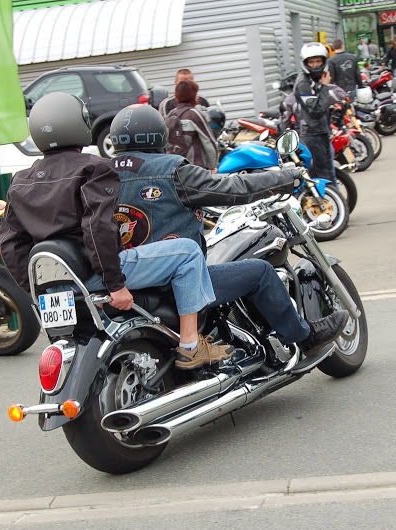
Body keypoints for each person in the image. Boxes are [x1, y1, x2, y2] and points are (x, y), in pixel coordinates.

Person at [0, 92, 235, 370]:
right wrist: (116, 285)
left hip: (55, 284)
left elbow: (10, 245)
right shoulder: (94, 168)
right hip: (96, 275)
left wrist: (37, 291)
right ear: (81, 125)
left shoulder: (20, 181)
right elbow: (97, 229)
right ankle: (191, 346)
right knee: (187, 251)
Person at [108, 103, 348, 358]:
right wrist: (286, 178)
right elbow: (234, 188)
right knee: (260, 272)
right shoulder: (171, 171)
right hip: (175, 281)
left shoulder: (102, 172)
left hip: (130, 278)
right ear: (159, 134)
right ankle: (304, 337)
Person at [294, 42, 337, 184]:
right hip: (313, 136)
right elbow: (317, 111)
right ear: (305, 63)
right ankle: (331, 204)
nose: (316, 65)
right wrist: (325, 87)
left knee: (330, 174)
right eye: (311, 62)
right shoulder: (303, 83)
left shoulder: (316, 79)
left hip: (321, 133)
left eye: (318, 61)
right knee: (322, 178)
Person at [164, 80, 218, 169]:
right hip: (195, 168)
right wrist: (212, 166)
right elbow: (209, 142)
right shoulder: (195, 114)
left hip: (174, 168)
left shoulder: (170, 115)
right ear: (192, 96)